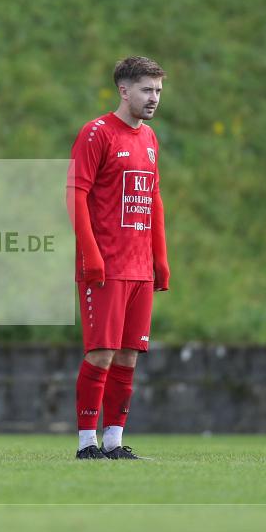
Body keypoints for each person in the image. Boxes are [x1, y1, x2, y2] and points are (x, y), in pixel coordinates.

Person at [66, 56, 170, 460]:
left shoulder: (150, 138)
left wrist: (159, 257)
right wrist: (90, 255)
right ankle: (86, 442)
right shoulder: (96, 134)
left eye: (158, 90)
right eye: (147, 90)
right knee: (101, 353)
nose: (154, 98)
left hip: (139, 267)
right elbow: (75, 195)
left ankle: (113, 439)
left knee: (129, 355)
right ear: (124, 90)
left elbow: (154, 199)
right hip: (105, 266)